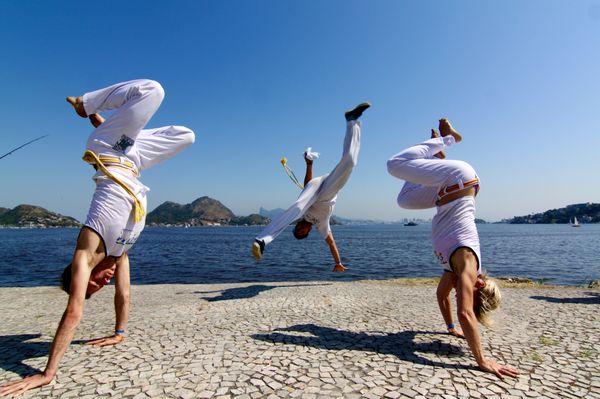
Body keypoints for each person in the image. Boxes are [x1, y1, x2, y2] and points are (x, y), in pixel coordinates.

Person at [0, 79, 195, 396]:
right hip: (131, 158)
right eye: (100, 286)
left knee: (152, 90)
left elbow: (74, 311)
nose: (103, 282)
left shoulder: (86, 253)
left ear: (82, 273)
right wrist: (119, 332)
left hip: (104, 149)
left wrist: (47, 373)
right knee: (187, 135)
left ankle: (86, 103)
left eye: (93, 282)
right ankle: (113, 124)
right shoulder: (120, 254)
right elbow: (125, 294)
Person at [386, 119, 518, 378]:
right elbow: (466, 312)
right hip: (460, 178)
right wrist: (482, 360)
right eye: (466, 292)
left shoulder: (453, 270)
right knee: (394, 165)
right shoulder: (468, 264)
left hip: (449, 188)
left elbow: (441, 296)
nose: (459, 292)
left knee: (405, 200)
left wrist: (450, 327)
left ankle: (436, 156)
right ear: (478, 286)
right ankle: (450, 138)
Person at [252, 103, 370, 272]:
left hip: (317, 185)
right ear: (308, 232)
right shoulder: (322, 225)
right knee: (350, 162)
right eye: (302, 232)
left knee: (299, 206)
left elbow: (308, 186)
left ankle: (261, 240)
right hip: (329, 192)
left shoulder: (302, 214)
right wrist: (338, 262)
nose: (300, 228)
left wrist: (309, 164)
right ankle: (351, 121)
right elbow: (331, 243)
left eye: (297, 229)